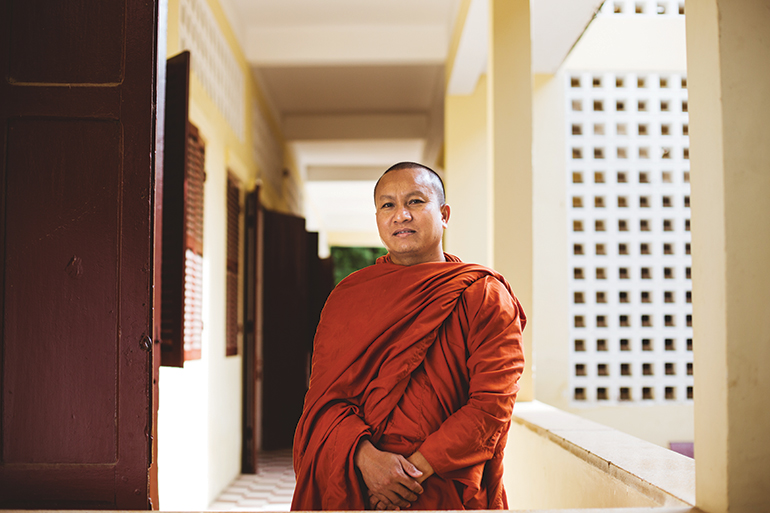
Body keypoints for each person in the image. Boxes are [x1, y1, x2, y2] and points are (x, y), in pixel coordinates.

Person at [291, 162, 526, 511]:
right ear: (377, 218)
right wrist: (368, 461)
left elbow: (491, 406)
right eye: (388, 205)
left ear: (444, 214)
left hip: (443, 487)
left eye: (415, 202)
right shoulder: (348, 298)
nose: (401, 215)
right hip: (358, 485)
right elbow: (325, 402)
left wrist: (406, 475)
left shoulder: (483, 296)